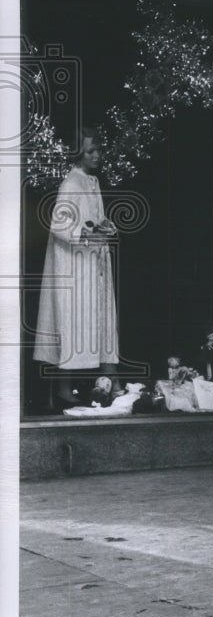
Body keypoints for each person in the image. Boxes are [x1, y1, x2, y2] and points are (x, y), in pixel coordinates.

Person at [33, 127, 119, 410]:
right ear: (78, 152)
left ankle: (109, 380)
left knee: (100, 321)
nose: (96, 155)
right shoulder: (71, 183)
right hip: (75, 264)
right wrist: (88, 235)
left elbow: (94, 217)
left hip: (92, 262)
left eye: (99, 150)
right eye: (90, 151)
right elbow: (59, 225)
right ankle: (63, 388)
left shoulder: (90, 181)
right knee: (72, 324)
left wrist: (105, 225)